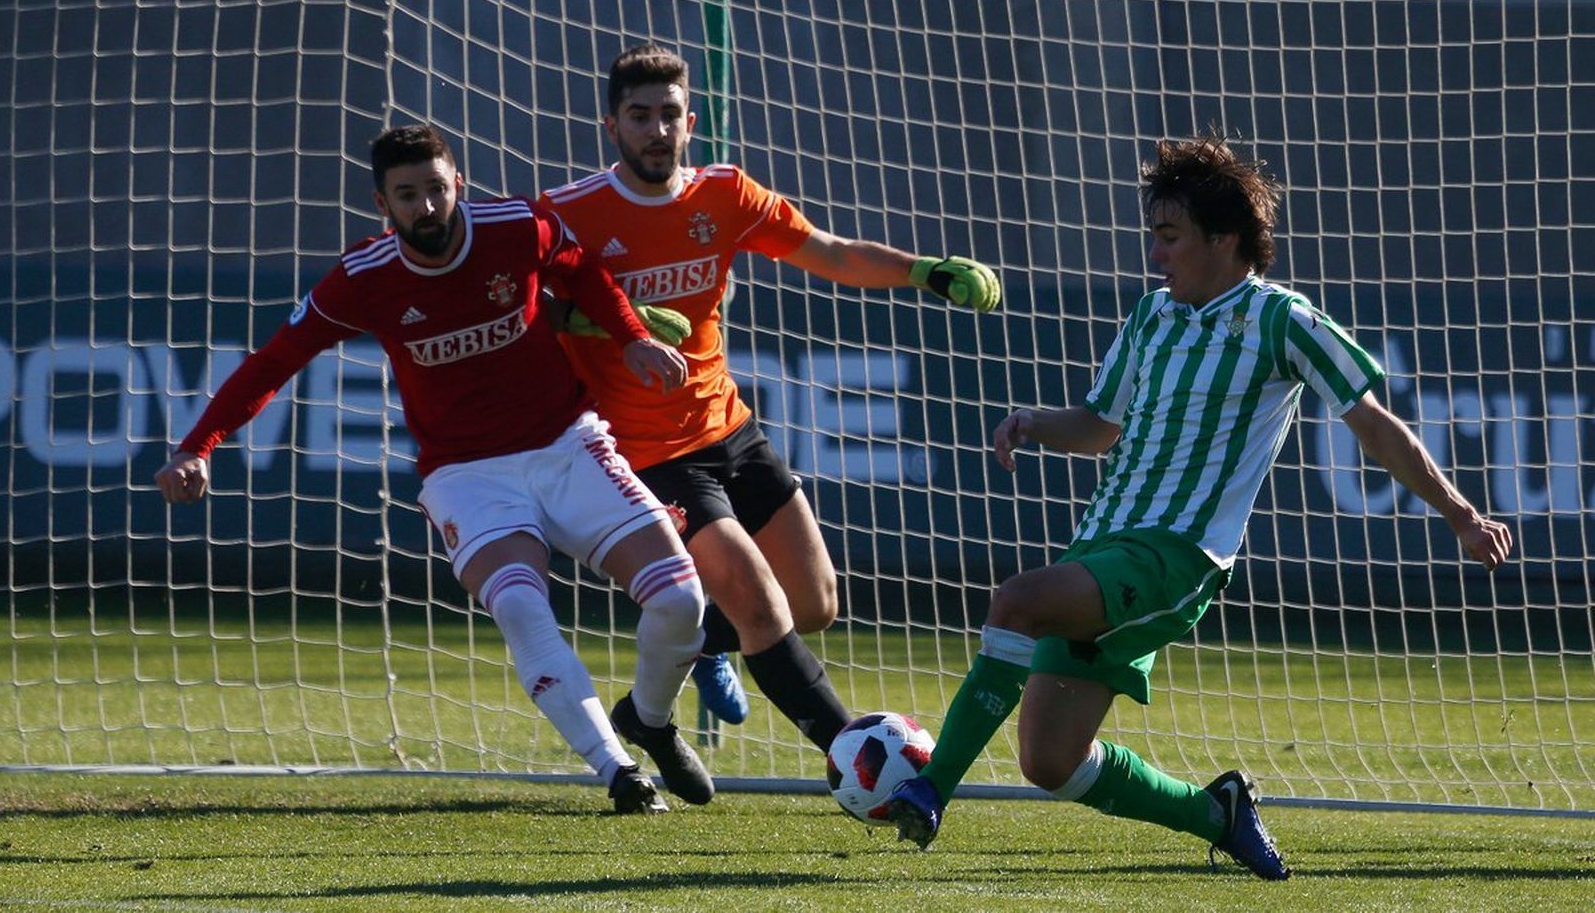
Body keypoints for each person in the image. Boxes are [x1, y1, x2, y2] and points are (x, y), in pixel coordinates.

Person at [883, 132, 1513, 878]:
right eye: (1156, 235)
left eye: (1170, 236)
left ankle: (928, 788)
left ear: (1225, 238)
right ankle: (1216, 811)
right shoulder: (1153, 316)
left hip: (1178, 557)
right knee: (1051, 761)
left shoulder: (1282, 321)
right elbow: (1100, 426)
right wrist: (1036, 424)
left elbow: (1372, 421)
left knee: (1017, 600)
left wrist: (1459, 512)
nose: (1157, 254)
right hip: (1103, 547)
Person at [155, 124, 718, 814]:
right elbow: (275, 361)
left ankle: (651, 719)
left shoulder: (518, 227)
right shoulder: (364, 277)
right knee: (517, 601)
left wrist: (631, 336)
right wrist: (198, 444)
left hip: (568, 443)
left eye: (437, 189)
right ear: (382, 205)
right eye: (407, 195)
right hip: (467, 473)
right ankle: (617, 768)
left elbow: (585, 273)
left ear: (459, 183)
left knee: (681, 600)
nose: (427, 207)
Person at [537, 43, 1002, 753]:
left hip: (730, 429)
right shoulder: (568, 212)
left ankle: (684, 658)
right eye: (640, 116)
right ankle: (856, 754)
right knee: (756, 601)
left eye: (669, 115)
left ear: (691, 120)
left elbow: (833, 252)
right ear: (612, 126)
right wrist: (600, 319)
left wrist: (925, 272)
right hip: (647, 455)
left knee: (814, 602)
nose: (657, 131)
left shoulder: (724, 195)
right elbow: (516, 308)